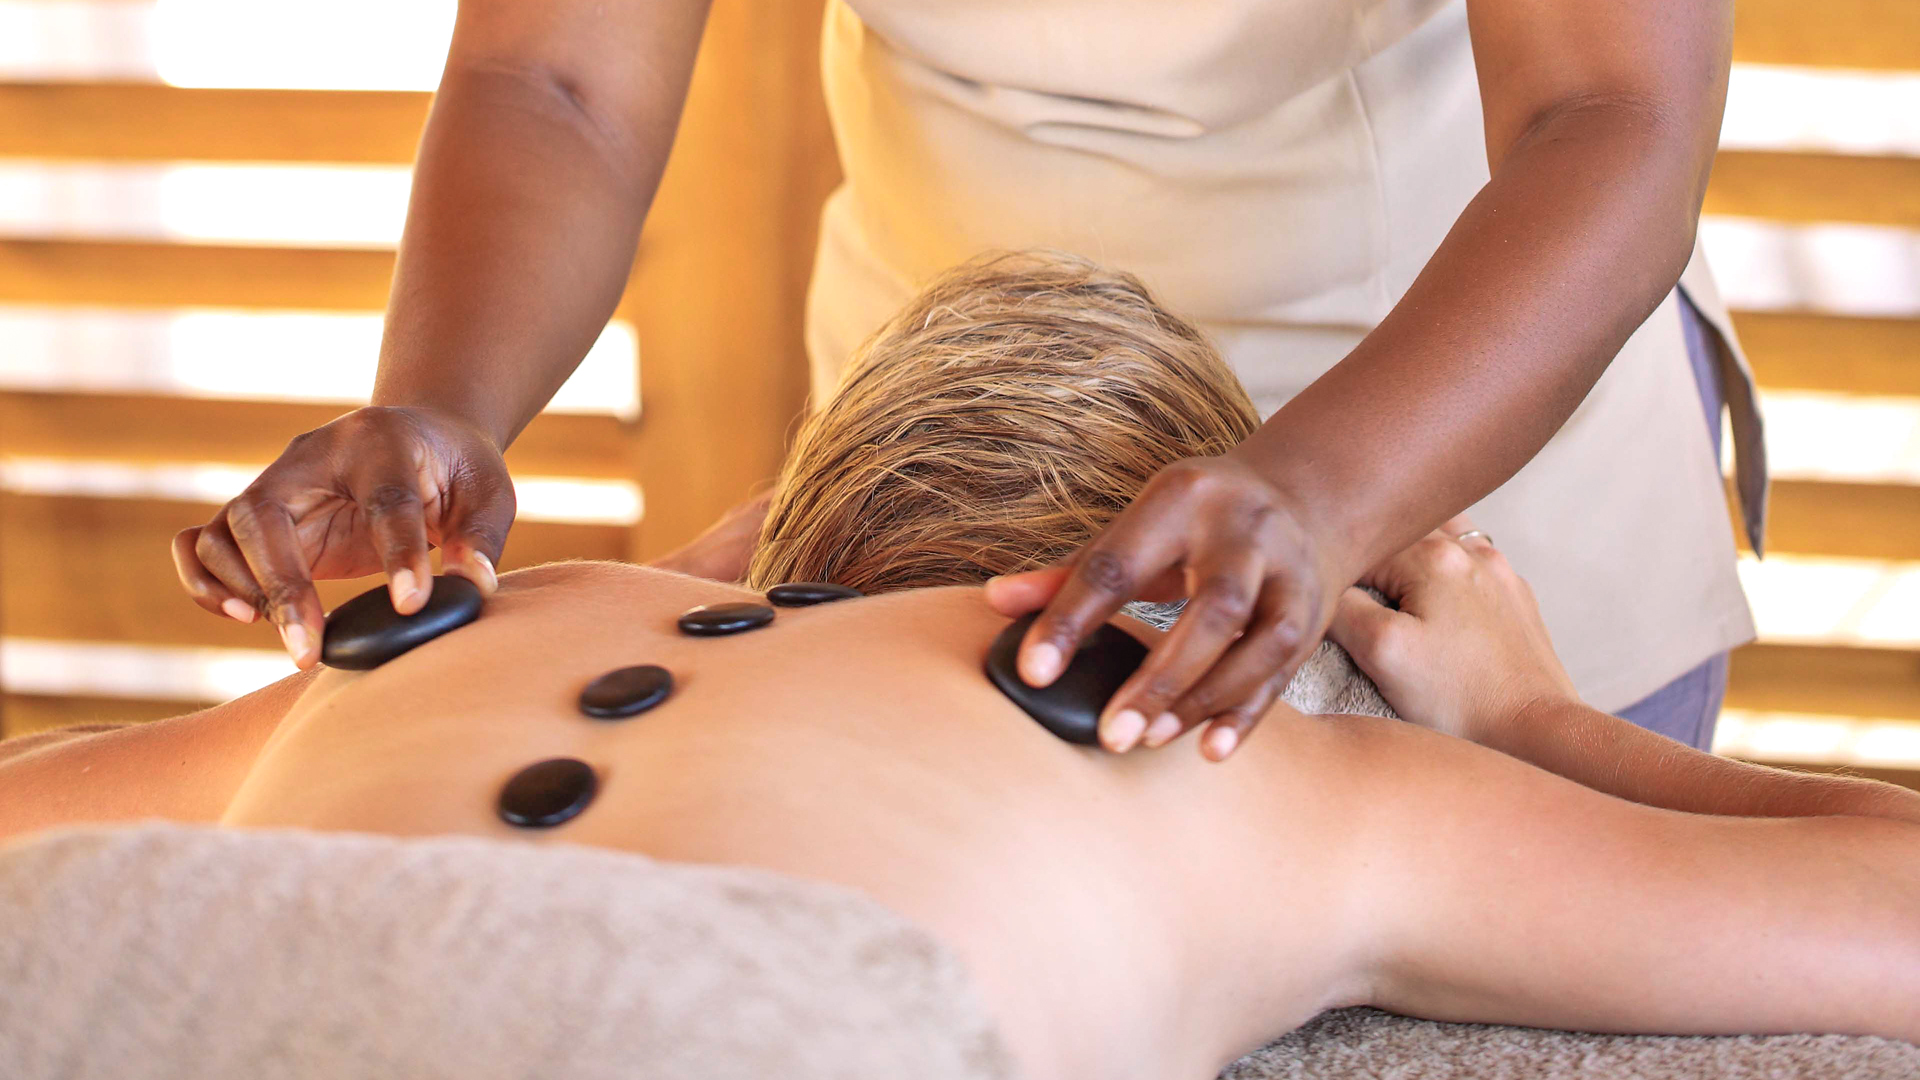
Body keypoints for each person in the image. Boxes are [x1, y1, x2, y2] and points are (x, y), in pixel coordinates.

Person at [28, 258, 1915, 1079]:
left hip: (170, 975)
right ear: (1199, 609)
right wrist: (1539, 727)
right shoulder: (1232, 749)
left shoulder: (473, 629)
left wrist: (637, 576)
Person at [169, 0, 1763, 761]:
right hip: (952, 464)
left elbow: (1610, 115)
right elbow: (556, 77)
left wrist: (1315, 492)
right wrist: (448, 404)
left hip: (1438, 414)